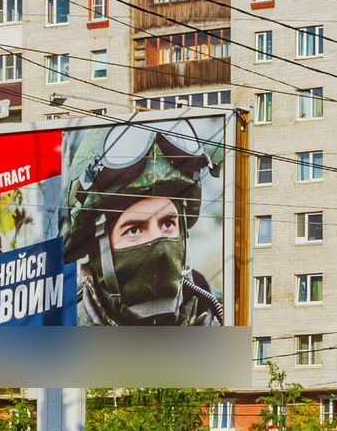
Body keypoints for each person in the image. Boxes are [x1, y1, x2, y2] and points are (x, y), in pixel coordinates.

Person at [60, 122, 226, 326]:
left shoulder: (225, 315)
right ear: (96, 245)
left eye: (167, 223)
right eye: (134, 229)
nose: (158, 242)